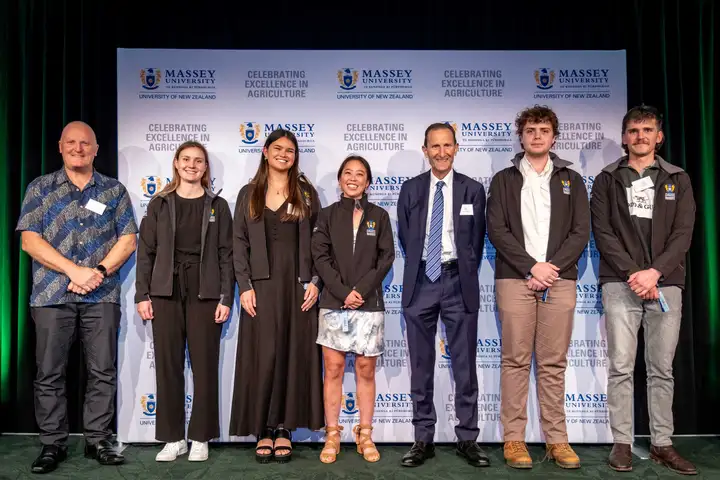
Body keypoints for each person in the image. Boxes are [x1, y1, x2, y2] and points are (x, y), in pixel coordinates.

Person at [16, 121, 137, 474]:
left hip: (101, 294)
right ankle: (53, 443)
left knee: (103, 370)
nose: (78, 148)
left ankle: (98, 439)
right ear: (60, 146)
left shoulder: (113, 191)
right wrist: (73, 271)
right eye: (71, 142)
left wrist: (96, 273)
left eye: (85, 143)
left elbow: (127, 240)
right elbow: (29, 240)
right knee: (49, 372)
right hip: (52, 294)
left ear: (96, 149)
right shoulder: (41, 188)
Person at [591, 105, 697, 475]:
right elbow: (602, 232)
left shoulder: (677, 178)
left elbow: (684, 233)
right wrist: (635, 273)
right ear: (624, 137)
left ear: (659, 137)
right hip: (620, 283)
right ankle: (622, 442)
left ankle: (662, 444)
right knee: (621, 366)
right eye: (633, 131)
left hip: (666, 284)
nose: (640, 136)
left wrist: (654, 273)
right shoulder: (606, 179)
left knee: (661, 370)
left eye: (647, 130)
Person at [486, 105, 589, 469]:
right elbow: (497, 230)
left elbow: (581, 231)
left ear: (554, 137)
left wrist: (550, 269)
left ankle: (556, 440)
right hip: (515, 278)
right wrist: (532, 266)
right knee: (515, 360)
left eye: (544, 130)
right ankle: (514, 440)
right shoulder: (503, 179)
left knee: (552, 363)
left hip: (559, 280)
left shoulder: (571, 179)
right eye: (530, 130)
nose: (537, 136)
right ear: (521, 135)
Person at [135, 141, 234, 462]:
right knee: (168, 366)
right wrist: (141, 294)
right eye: (186, 160)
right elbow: (146, 251)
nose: (192, 165)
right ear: (176, 164)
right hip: (165, 291)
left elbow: (226, 256)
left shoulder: (218, 205)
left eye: (199, 161)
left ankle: (201, 437)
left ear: (205, 169)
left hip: (205, 292)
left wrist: (226, 296)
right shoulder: (159, 204)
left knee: (205, 366)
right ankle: (173, 438)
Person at [230, 129, 324, 463]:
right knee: (264, 355)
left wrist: (315, 280)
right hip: (260, 287)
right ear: (266, 152)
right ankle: (264, 428)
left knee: (291, 354)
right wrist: (245, 286)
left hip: (298, 287)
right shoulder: (248, 193)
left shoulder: (306, 193)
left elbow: (319, 241)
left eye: (291, 150)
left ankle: (284, 428)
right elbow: (237, 242)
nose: (284, 154)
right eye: (278, 148)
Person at [397, 123, 488, 468]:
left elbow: (475, 243)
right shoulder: (410, 189)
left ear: (456, 147)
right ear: (425, 150)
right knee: (421, 366)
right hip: (420, 281)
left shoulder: (473, 190)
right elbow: (407, 238)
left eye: (447, 145)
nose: (441, 152)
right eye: (434, 146)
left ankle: (467, 438)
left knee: (465, 367)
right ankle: (423, 439)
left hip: (457, 282)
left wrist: (457, 270)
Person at [312, 155, 395, 464]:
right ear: (339, 180)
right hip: (334, 303)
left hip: (369, 304)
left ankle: (365, 434)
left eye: (360, 174)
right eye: (348, 172)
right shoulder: (326, 215)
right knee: (332, 369)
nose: (353, 178)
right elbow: (320, 258)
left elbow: (386, 258)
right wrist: (343, 292)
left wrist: (359, 291)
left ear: (368, 182)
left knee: (365, 370)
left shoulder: (380, 216)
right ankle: (332, 434)